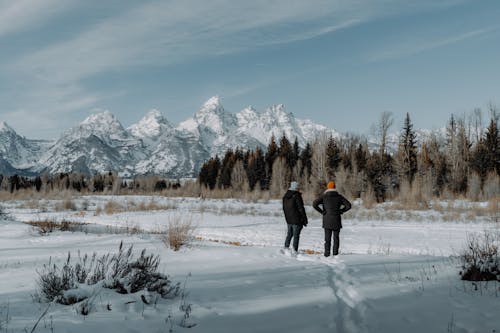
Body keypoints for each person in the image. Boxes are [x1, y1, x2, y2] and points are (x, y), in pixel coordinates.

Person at [313, 181, 351, 257]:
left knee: (327, 239)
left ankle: (327, 254)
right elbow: (348, 206)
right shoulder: (339, 196)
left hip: (327, 220)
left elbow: (314, 204)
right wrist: (341, 211)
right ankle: (335, 254)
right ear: (334, 187)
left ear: (328, 187)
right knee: (336, 238)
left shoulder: (324, 196)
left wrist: (322, 212)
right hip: (336, 219)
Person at [282, 181, 308, 254]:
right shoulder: (296, 195)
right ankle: (294, 251)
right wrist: (304, 219)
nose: (299, 189)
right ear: (296, 188)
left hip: (289, 219)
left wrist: (287, 218)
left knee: (289, 234)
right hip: (297, 220)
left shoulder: (285, 196)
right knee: (296, 236)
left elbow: (284, 208)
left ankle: (286, 248)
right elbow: (301, 208)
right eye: (298, 187)